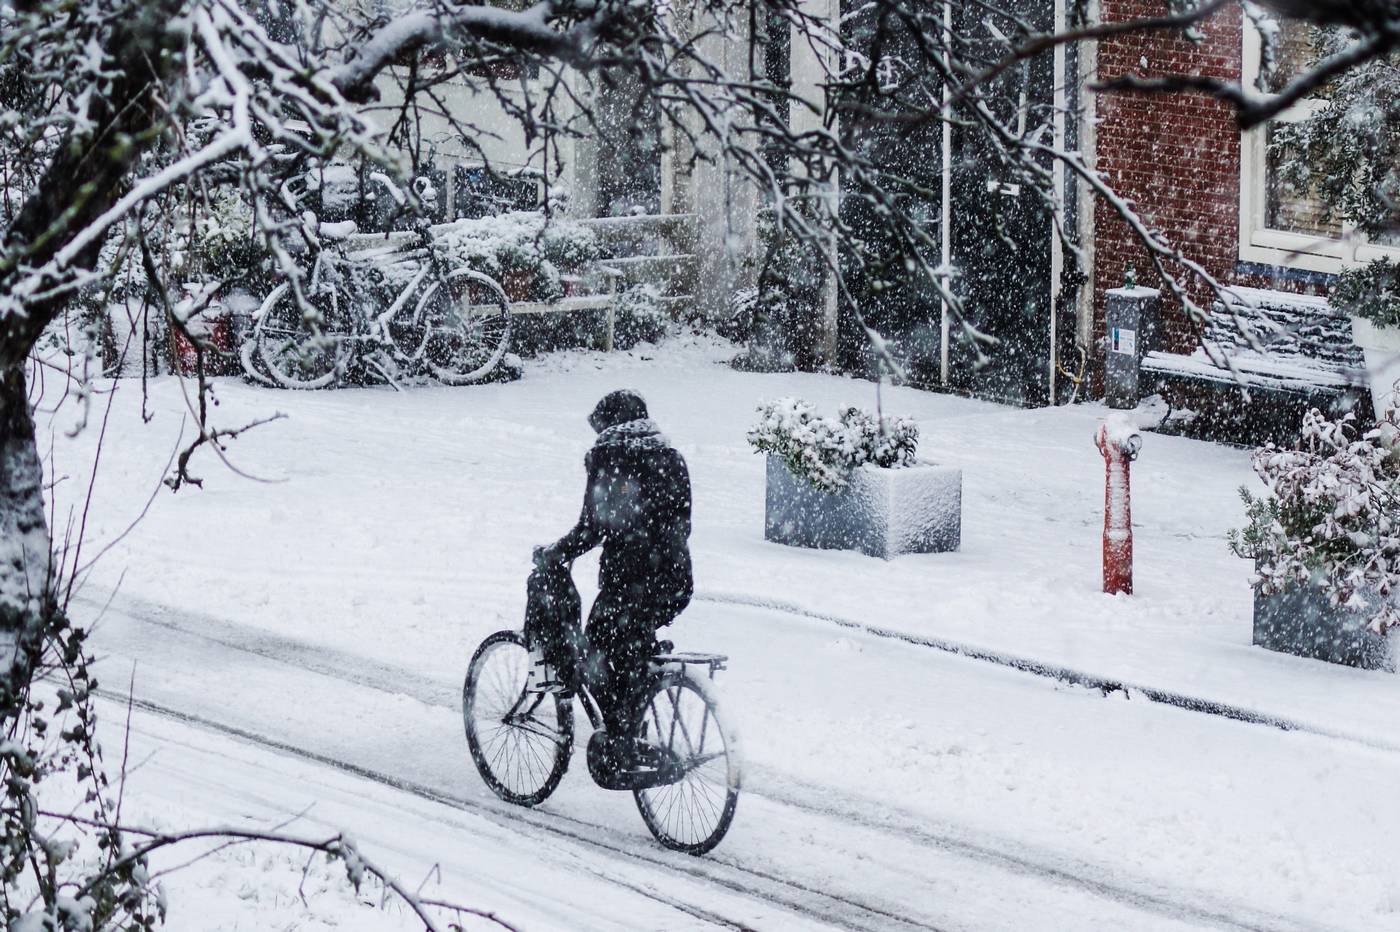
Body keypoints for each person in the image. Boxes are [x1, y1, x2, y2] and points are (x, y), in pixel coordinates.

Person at [534, 389, 693, 770]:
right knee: (629, 647)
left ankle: (623, 739)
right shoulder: (671, 457)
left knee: (596, 656)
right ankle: (632, 715)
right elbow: (682, 523)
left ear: (609, 424)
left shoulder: (611, 456)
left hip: (630, 582)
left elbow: (593, 528)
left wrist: (555, 553)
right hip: (675, 580)